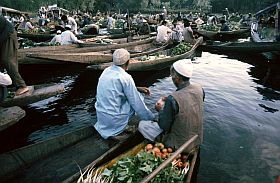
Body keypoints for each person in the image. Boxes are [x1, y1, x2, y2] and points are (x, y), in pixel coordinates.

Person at [138, 59, 204, 152]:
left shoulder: (172, 98)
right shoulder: (199, 89)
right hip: (196, 139)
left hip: (178, 144)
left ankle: (161, 144)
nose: (172, 78)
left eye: (172, 76)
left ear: (177, 78)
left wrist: (160, 110)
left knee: (142, 125)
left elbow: (164, 126)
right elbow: (190, 103)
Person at [94, 48, 155, 140]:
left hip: (101, 116)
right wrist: (151, 118)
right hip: (114, 120)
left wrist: (137, 88)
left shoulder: (106, 71)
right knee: (139, 97)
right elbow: (136, 103)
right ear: (128, 62)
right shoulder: (125, 77)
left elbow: (116, 89)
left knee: (133, 95)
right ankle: (120, 127)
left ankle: (116, 125)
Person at [0, 16, 29, 96]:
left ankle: (22, 86)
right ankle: (7, 86)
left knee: (7, 60)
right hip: (3, 35)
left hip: (8, 34)